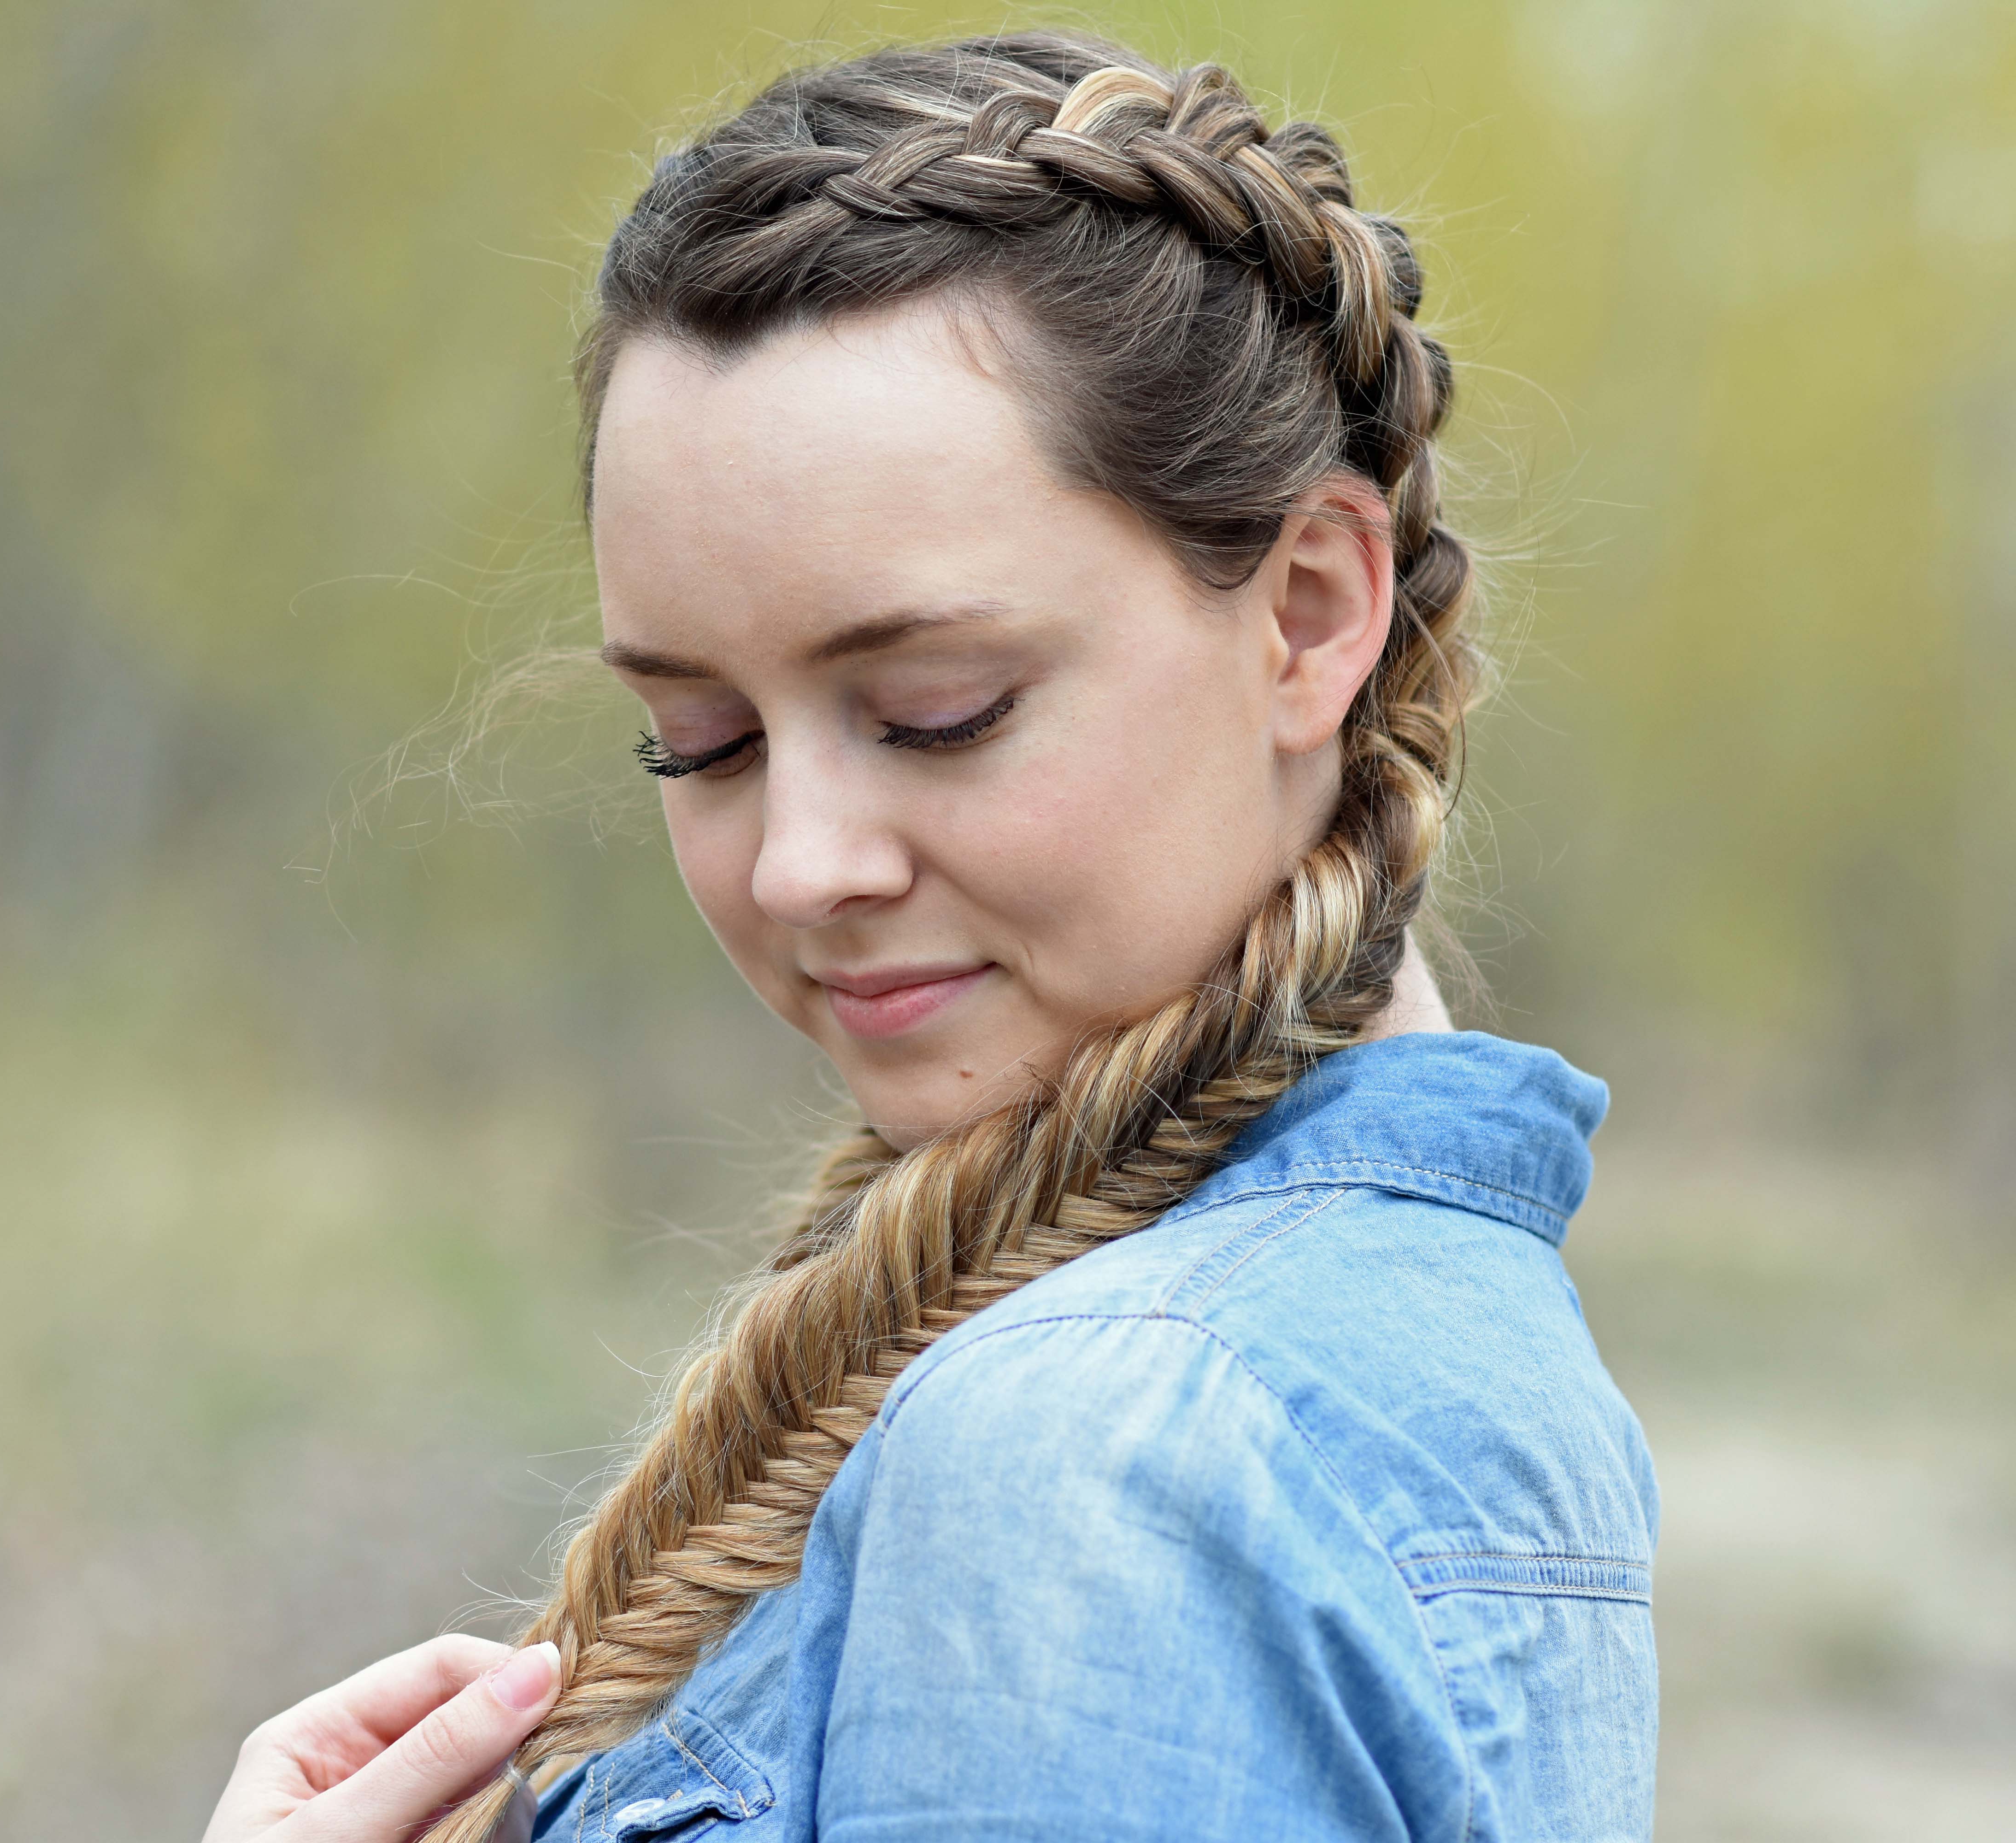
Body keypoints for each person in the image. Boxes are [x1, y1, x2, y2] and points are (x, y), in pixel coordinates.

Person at [205, 30, 1657, 1843]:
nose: (801, 862)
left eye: (940, 705)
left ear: (1306, 612)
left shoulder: (1107, 1444)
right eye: (700, 740)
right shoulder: (1419, 1335)